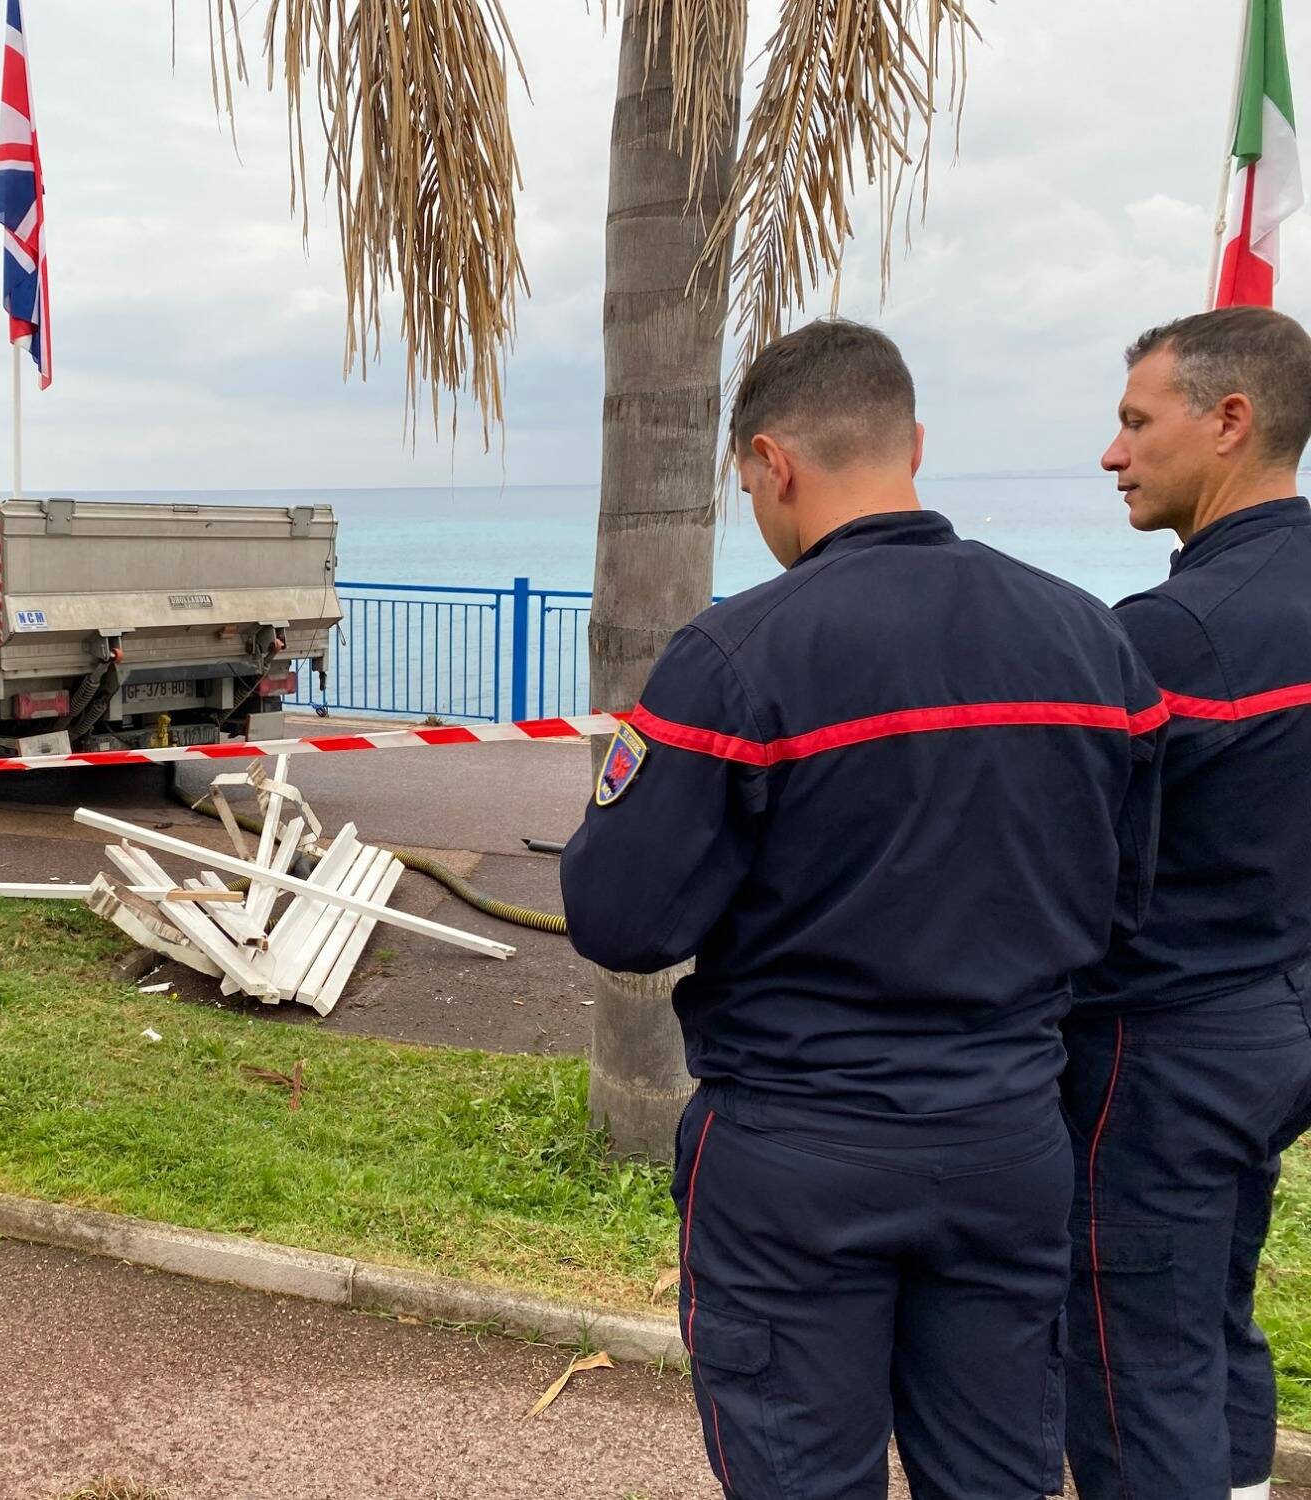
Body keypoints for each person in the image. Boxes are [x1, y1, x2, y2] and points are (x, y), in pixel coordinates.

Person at [561, 319, 1165, 1500]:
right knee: (995, 1472)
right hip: (1005, 1137)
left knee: (798, 1471)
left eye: (748, 484)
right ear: (914, 444)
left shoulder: (737, 657)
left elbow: (620, 917)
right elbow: (1122, 905)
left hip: (798, 1147)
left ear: (772, 461)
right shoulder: (1088, 639)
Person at [1064, 307, 1311, 1500]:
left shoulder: (1172, 635)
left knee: (1131, 1356)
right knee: (1212, 1308)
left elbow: (1072, 860)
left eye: (1131, 422)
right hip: (1281, 1021)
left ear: (1227, 422)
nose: (1112, 456)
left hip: (1161, 1043)